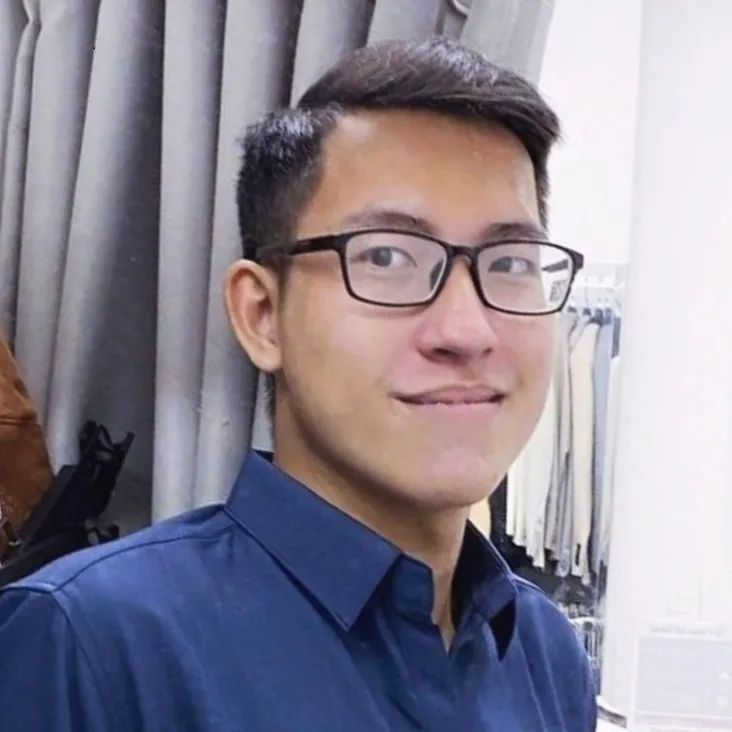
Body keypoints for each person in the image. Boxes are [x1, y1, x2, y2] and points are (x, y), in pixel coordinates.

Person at [0, 38, 595, 731]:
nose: (466, 330)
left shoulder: (545, 654)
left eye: (511, 262)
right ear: (262, 316)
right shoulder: (90, 643)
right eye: (386, 257)